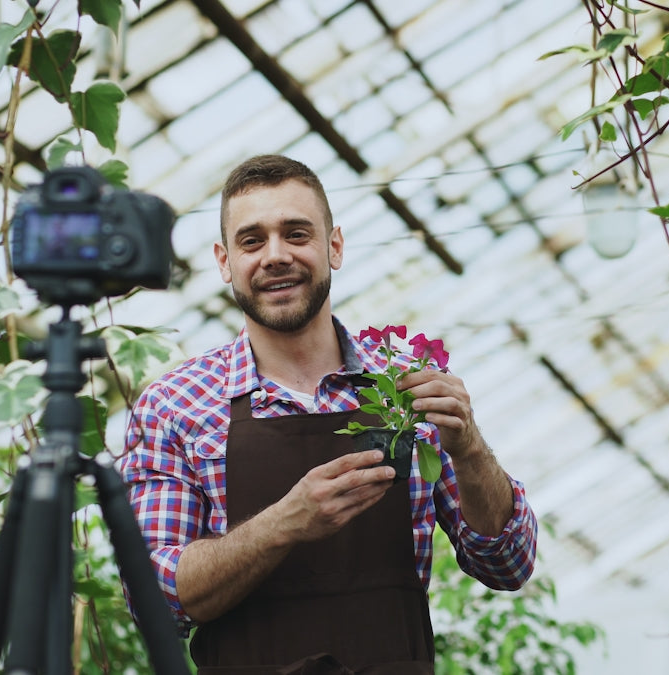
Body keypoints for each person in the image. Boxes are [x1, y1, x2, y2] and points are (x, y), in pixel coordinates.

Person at [120, 154, 537, 674]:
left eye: (297, 234)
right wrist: (282, 524)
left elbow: (508, 563)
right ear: (224, 261)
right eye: (252, 241)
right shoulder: (176, 405)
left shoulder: (404, 387)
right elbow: (153, 599)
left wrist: (470, 448)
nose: (275, 256)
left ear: (334, 246)